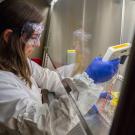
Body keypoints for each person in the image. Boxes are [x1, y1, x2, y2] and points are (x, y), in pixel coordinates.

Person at [0, 0, 120, 135]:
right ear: (8, 36)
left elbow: (50, 78)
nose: (38, 44)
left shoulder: (19, 61)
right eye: (34, 37)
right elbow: (43, 125)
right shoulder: (2, 86)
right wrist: (88, 81)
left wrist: (88, 89)